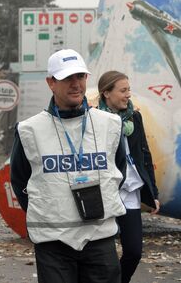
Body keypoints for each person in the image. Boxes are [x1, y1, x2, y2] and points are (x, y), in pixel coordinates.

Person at [10, 48, 127, 283]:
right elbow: (20, 180)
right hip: (54, 244)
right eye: (67, 78)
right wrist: (48, 209)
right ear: (51, 82)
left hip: (100, 239)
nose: (76, 84)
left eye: (80, 77)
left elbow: (118, 171)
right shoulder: (29, 130)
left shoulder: (111, 124)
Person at [98, 70, 159, 283]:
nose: (128, 95)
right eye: (123, 90)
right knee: (101, 255)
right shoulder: (96, 119)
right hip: (108, 193)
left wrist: (154, 192)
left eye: (128, 90)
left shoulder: (134, 116)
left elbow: (144, 153)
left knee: (134, 252)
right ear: (106, 93)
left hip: (131, 192)